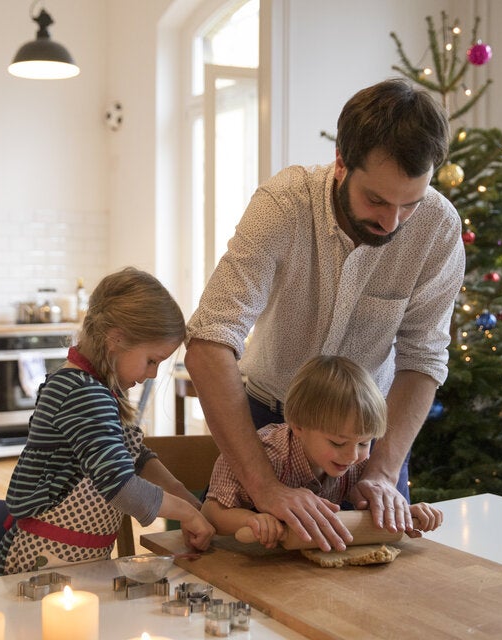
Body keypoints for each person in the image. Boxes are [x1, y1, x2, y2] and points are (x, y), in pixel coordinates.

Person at [185, 78, 465, 552]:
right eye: (376, 200)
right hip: (263, 419)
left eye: (410, 204)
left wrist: (380, 473)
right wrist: (264, 487)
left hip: (367, 441)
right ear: (341, 162)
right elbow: (209, 341)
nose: (392, 223)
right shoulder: (283, 206)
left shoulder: (438, 229)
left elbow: (423, 358)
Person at [0, 267, 214, 576]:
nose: (152, 375)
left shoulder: (95, 388)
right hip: (41, 558)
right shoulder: (82, 393)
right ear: (115, 339)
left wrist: (181, 493)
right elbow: (121, 486)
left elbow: (135, 458)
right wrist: (186, 513)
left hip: (79, 559)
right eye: (151, 360)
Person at [201, 355, 443, 546]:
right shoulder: (264, 452)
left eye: (364, 443)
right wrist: (253, 521)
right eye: (338, 443)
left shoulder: (358, 464)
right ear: (298, 426)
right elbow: (211, 512)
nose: (352, 456)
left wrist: (407, 513)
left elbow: (370, 512)